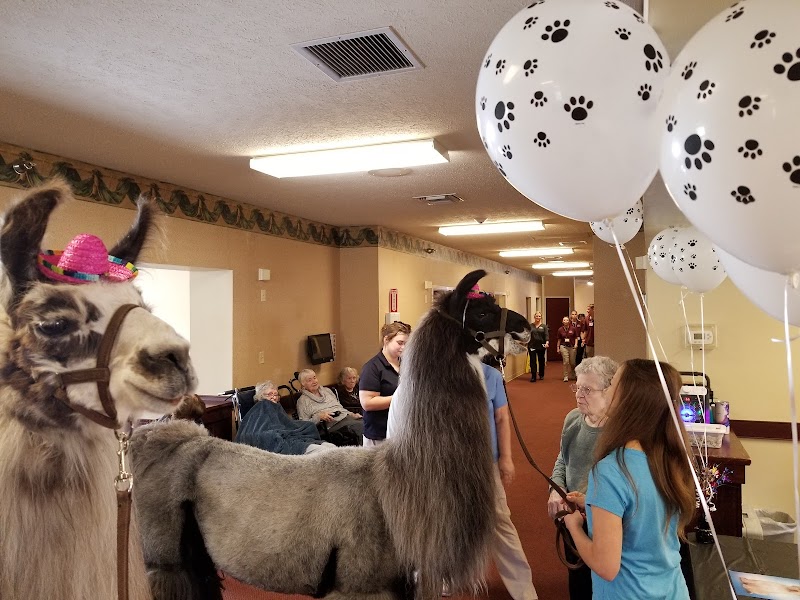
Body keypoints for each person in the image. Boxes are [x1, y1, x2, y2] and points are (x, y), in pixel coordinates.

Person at [563, 359, 695, 600]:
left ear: (628, 399)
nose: (609, 388)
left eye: (613, 383)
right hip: (673, 590)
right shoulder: (669, 459)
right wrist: (593, 504)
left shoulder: (610, 471)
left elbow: (606, 566)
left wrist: (573, 527)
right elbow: (646, 515)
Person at [547, 356, 618, 600]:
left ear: (609, 391)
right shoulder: (573, 419)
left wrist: (587, 503)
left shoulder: (619, 434)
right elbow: (562, 460)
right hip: (572, 519)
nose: (579, 395)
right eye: (577, 387)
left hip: (603, 522)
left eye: (587, 389)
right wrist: (555, 490)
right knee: (577, 585)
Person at [482, 361, 539, 600]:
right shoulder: (441, 370)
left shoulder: (491, 375)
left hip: (486, 463)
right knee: (446, 521)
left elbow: (502, 417)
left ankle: (524, 591)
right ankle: (444, 576)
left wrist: (506, 457)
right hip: (448, 466)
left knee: (500, 521)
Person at [359, 321, 410, 447]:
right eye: (400, 343)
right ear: (386, 340)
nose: (404, 347)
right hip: (379, 434)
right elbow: (367, 403)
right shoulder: (372, 367)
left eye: (406, 344)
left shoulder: (405, 364)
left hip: (401, 432)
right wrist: (400, 398)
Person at [296, 369, 363, 443]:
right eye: (309, 380)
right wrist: (318, 417)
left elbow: (339, 407)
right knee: (361, 428)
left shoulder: (327, 391)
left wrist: (351, 414)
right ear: (303, 384)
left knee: (368, 423)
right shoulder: (302, 401)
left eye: (314, 378)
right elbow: (304, 425)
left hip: (345, 418)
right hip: (329, 427)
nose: (314, 381)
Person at [556, 316, 579, 382]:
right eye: (564, 320)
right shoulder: (560, 329)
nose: (565, 321)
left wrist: (576, 344)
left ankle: (573, 373)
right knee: (566, 361)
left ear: (569, 321)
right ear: (562, 321)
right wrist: (558, 348)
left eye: (567, 320)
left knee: (572, 362)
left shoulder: (573, 328)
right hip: (563, 346)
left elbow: (576, 337)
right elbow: (559, 339)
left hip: (572, 346)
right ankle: (565, 376)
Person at [528, 312, 548, 382]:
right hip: (532, 345)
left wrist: (547, 342)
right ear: (534, 317)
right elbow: (528, 335)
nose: (538, 318)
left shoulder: (544, 326)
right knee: (532, 361)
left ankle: (541, 374)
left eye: (539, 316)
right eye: (536, 316)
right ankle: (533, 376)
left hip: (541, 345)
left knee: (541, 360)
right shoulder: (530, 326)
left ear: (541, 317)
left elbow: (546, 335)